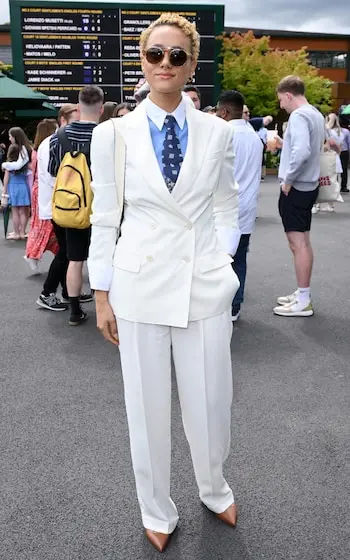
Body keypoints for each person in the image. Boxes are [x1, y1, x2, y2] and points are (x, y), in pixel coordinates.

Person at [88, 13, 240, 553]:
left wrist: (220, 261)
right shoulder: (112, 134)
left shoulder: (218, 131)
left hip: (203, 285)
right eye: (156, 54)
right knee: (147, 409)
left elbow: (227, 203)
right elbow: (105, 217)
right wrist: (101, 293)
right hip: (139, 286)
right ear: (142, 61)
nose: (165, 64)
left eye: (177, 55)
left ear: (192, 64)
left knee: (211, 399)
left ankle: (214, 486)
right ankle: (156, 507)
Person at [45, 86, 104, 325]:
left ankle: (75, 311)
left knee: (75, 258)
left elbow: (52, 172)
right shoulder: (107, 135)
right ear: (101, 108)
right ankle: (109, 308)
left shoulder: (58, 137)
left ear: (78, 108)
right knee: (108, 257)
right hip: (102, 207)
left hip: (71, 207)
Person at [274, 75, 324, 318]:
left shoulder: (299, 115)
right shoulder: (315, 113)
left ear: (288, 95)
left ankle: (303, 299)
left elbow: (302, 151)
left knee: (298, 243)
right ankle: (302, 294)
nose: (281, 106)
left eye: (281, 100)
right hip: (308, 185)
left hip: (297, 187)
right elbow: (306, 147)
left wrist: (289, 179)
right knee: (303, 240)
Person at [216, 89, 263, 321]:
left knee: (217, 259)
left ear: (224, 111)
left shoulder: (222, 135)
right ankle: (235, 306)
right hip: (247, 207)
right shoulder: (255, 137)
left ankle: (219, 305)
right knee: (240, 259)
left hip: (222, 208)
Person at [36, 104, 83, 313]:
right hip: (60, 207)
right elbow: (56, 177)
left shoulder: (54, 141)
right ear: (63, 120)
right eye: (75, 121)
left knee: (68, 251)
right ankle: (47, 292)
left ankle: (67, 291)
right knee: (66, 252)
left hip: (61, 206)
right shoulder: (52, 143)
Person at [24, 119, 59, 274]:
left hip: (37, 188)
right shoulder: (46, 149)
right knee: (46, 225)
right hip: (45, 189)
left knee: (41, 224)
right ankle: (33, 253)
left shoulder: (35, 151)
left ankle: (35, 253)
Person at [2, 127, 33, 238]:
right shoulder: (27, 152)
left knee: (15, 211)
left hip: (13, 187)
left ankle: (16, 232)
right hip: (24, 185)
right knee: (24, 211)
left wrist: (4, 193)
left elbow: (7, 178)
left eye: (10, 136)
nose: (9, 138)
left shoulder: (10, 165)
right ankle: (22, 232)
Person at [339, 115, 350, 193]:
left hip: (334, 152)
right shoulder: (346, 131)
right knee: (344, 169)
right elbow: (349, 142)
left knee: (334, 169)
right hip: (344, 151)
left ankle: (334, 186)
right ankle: (343, 186)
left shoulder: (331, 131)